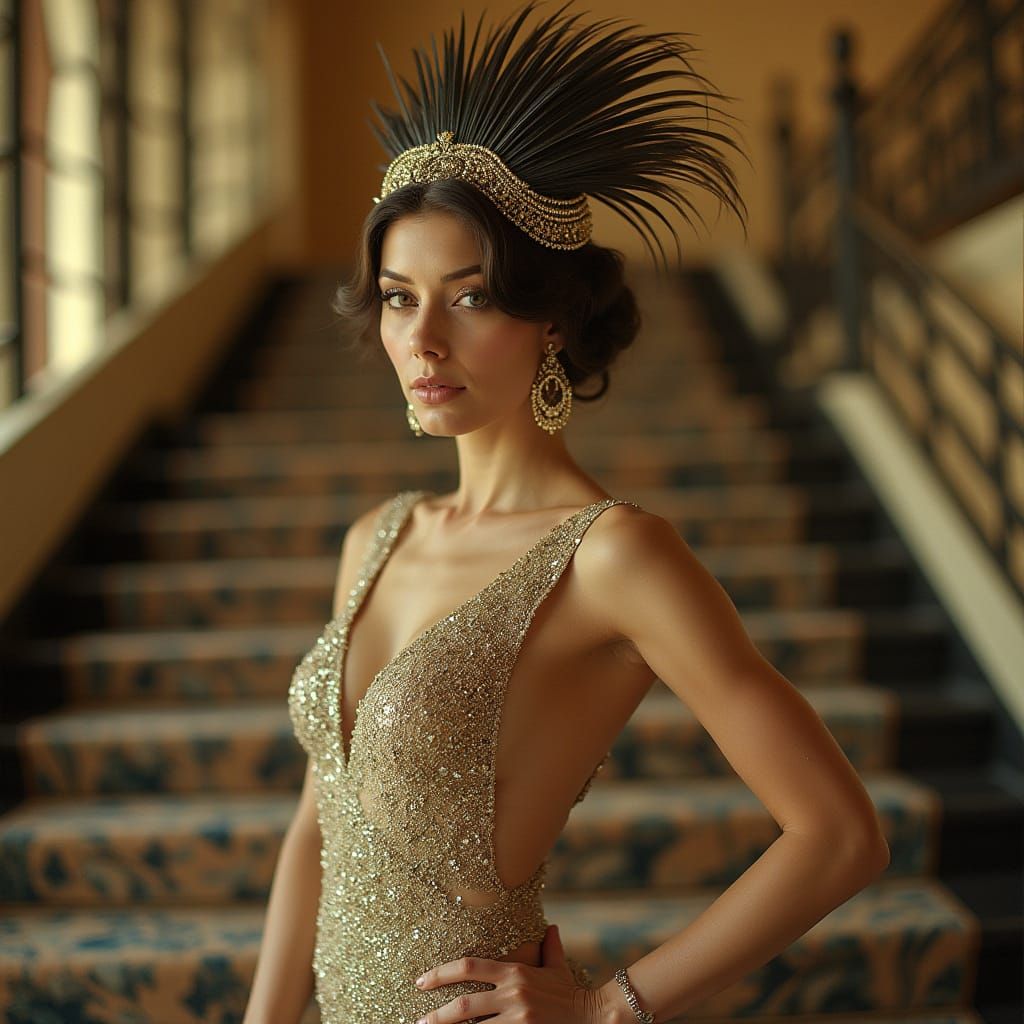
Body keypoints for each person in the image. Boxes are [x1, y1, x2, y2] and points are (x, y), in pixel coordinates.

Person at [243, 4, 891, 1023]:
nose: (423, 341)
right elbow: (320, 822)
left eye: (469, 296)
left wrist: (606, 1007)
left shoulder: (613, 556)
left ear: (548, 316)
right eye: (398, 296)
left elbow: (840, 834)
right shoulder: (378, 535)